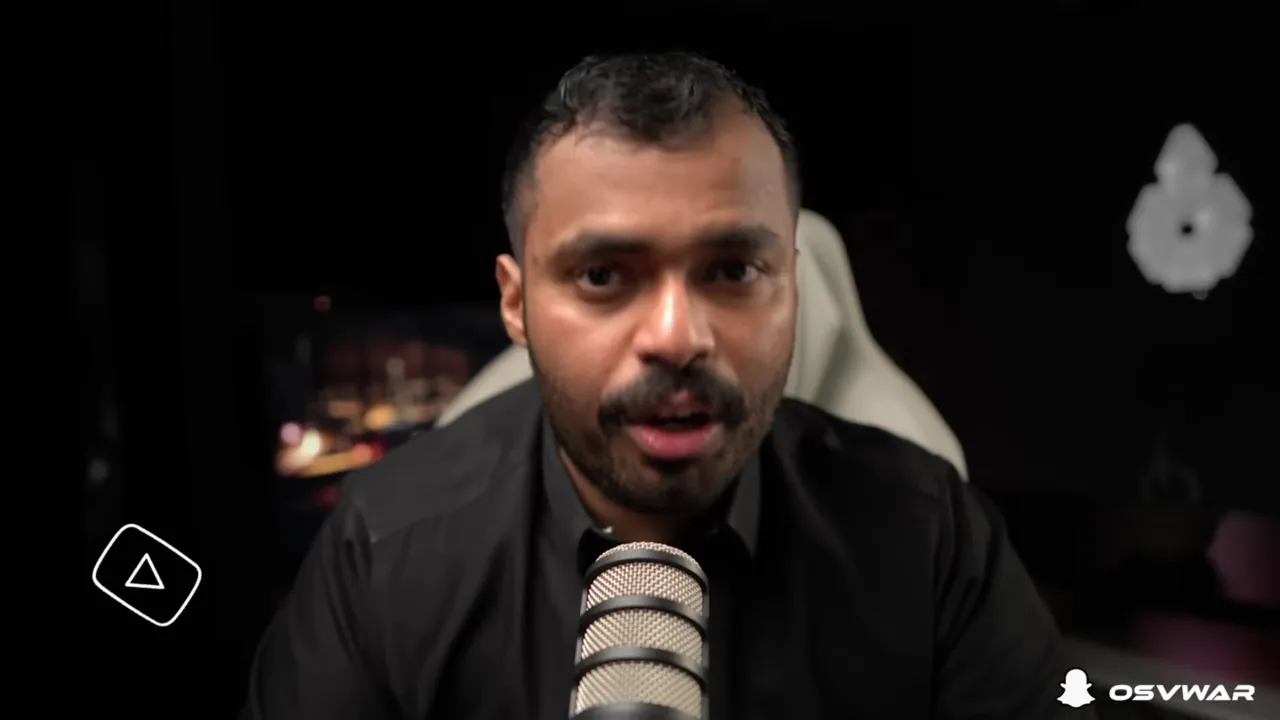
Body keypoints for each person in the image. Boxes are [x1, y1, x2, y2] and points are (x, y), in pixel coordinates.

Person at [243, 52, 1088, 719]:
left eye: (733, 270)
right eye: (603, 275)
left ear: (792, 289)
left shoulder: (931, 537)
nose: (678, 338)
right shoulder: (387, 546)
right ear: (515, 304)